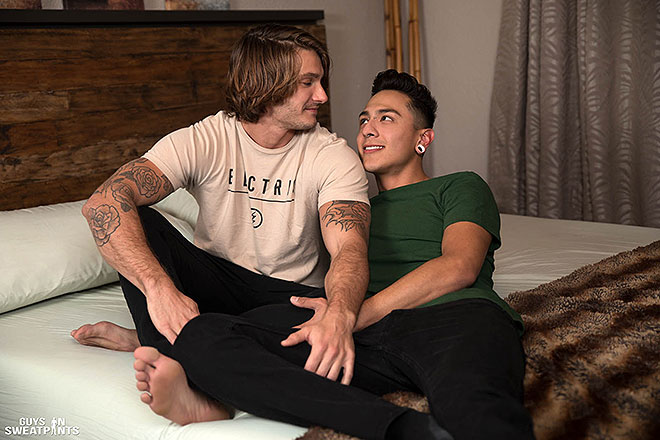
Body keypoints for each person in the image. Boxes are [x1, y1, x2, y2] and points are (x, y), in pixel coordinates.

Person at [76, 68, 535, 439]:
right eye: (364, 119)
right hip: (363, 339)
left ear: (423, 138)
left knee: (480, 416)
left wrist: (348, 316)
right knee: (203, 337)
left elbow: (459, 266)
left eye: (387, 118)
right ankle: (402, 430)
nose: (368, 129)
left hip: (450, 320)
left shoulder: (458, 186)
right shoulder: (345, 204)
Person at [74, 23, 372, 419]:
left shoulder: (333, 156)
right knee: (135, 220)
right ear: (265, 83)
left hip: (289, 298)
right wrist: (159, 290)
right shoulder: (207, 139)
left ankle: (162, 345)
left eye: (320, 81)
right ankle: (176, 368)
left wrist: (340, 314)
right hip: (217, 284)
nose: (322, 96)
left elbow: (350, 248)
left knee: (293, 329)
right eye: (307, 83)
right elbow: (102, 202)